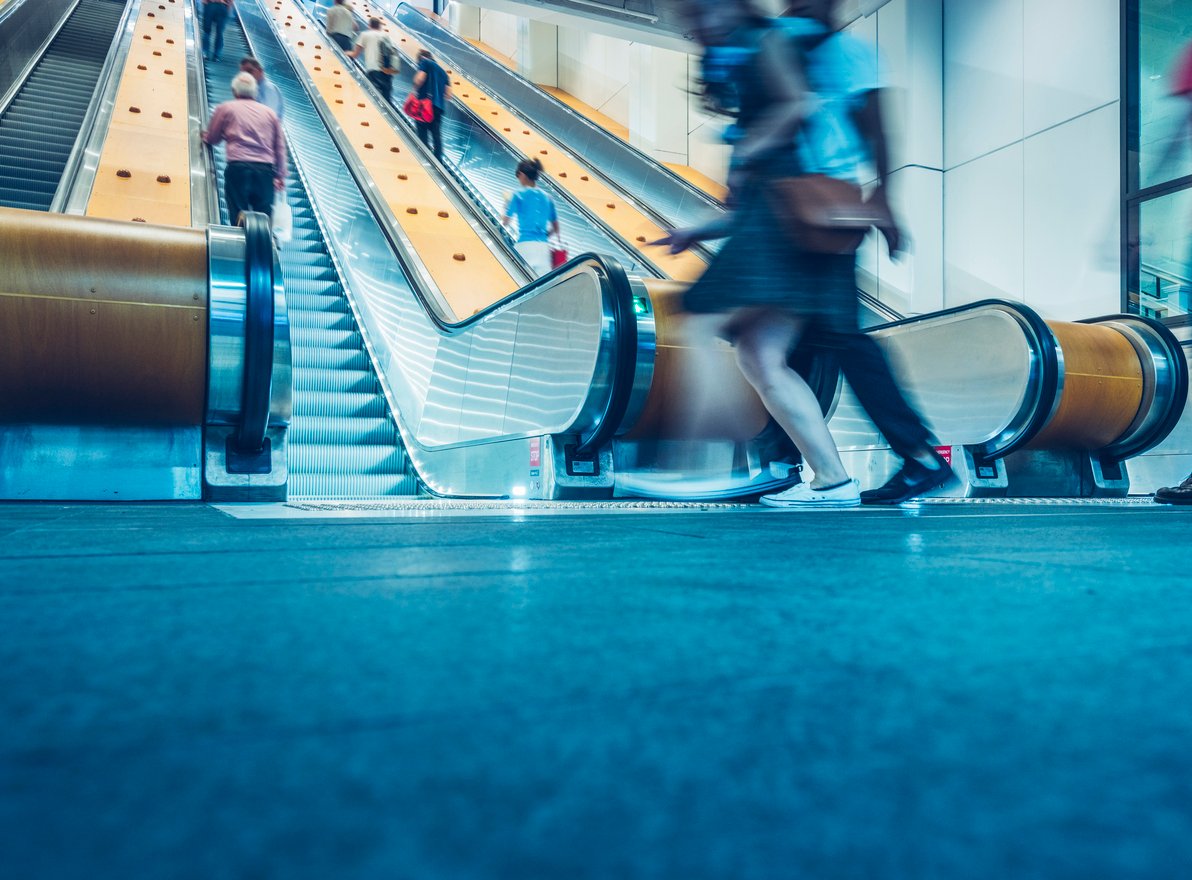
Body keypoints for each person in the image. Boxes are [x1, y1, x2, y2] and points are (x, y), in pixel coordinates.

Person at [655, 0, 951, 508]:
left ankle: (712, 463)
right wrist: (705, 225)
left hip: (815, 212)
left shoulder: (832, 50)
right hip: (796, 213)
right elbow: (768, 174)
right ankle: (833, 474)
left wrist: (883, 199)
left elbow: (866, 125)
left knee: (799, 339)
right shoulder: (780, 38)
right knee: (772, 351)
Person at [203, 72, 287, 225]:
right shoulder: (270, 114)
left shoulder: (225, 108)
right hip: (264, 172)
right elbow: (280, 146)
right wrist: (280, 175)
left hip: (238, 169)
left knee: (238, 216)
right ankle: (262, 246)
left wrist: (207, 137)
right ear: (255, 92)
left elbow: (213, 138)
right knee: (263, 220)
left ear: (234, 91)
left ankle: (240, 245)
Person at [502, 158, 559, 277]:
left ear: (522, 175)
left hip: (525, 246)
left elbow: (505, 222)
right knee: (541, 286)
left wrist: (506, 204)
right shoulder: (548, 198)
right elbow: (555, 228)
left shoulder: (518, 195)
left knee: (520, 282)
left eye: (518, 176)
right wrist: (543, 235)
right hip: (543, 250)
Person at [412, 48, 451, 161]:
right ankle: (438, 159)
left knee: (422, 129)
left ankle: (424, 156)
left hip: (424, 104)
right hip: (438, 107)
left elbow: (419, 79)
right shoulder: (444, 73)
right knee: (436, 134)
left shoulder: (425, 62)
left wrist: (414, 89)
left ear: (420, 58)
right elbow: (448, 94)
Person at [348, 17, 397, 103]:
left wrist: (345, 53)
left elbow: (355, 54)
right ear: (379, 26)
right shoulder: (387, 37)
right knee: (386, 101)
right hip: (387, 73)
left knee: (369, 98)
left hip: (374, 70)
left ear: (369, 25)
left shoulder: (365, 35)